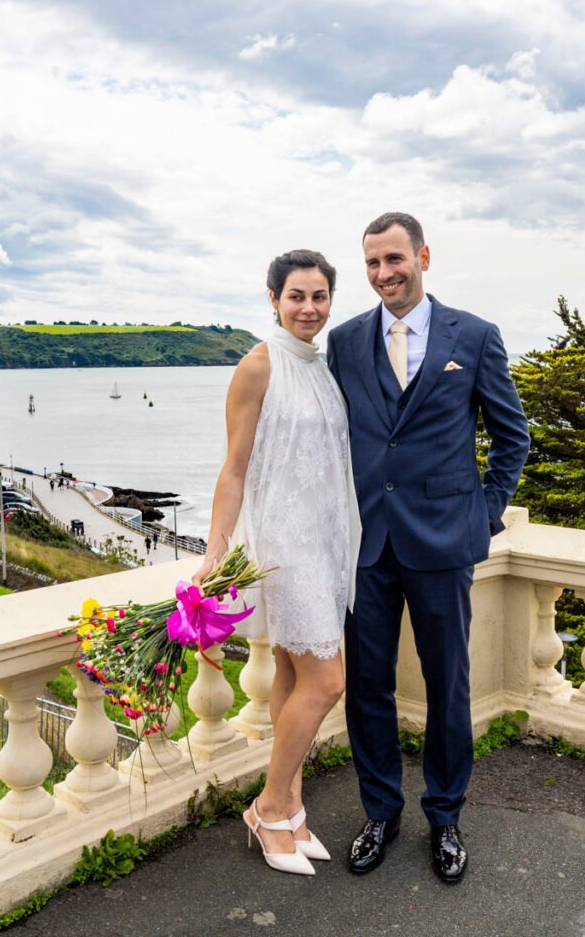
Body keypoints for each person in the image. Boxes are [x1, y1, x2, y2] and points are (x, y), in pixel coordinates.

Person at [327, 212, 530, 883]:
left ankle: (444, 818)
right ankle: (380, 812)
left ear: (422, 256)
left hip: (444, 542)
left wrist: (484, 513)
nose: (384, 273)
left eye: (394, 259)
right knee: (367, 689)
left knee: (448, 689)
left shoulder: (471, 336)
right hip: (365, 543)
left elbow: (511, 437)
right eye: (372, 263)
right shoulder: (345, 341)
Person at [191, 249, 361, 877]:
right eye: (297, 296)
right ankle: (265, 807)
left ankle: (290, 810)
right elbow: (234, 468)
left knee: (292, 680)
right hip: (284, 550)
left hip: (325, 541)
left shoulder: (321, 368)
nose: (309, 308)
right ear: (273, 299)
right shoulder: (258, 366)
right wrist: (215, 551)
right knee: (328, 683)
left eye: (319, 297)